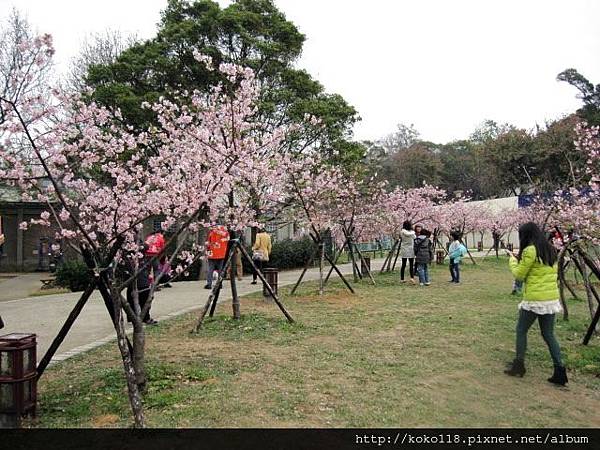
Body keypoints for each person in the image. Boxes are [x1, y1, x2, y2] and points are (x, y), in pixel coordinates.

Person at [504, 222, 567, 386]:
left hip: (534, 300)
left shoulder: (530, 250)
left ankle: (519, 365)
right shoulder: (550, 249)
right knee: (548, 334)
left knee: (521, 330)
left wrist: (512, 260)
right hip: (550, 300)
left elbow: (519, 275)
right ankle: (560, 370)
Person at [204, 225, 230, 289]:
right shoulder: (225, 233)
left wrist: (207, 251)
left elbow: (208, 243)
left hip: (212, 253)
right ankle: (220, 284)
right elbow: (227, 241)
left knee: (211, 269)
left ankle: (209, 284)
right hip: (222, 253)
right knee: (220, 269)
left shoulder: (212, 233)